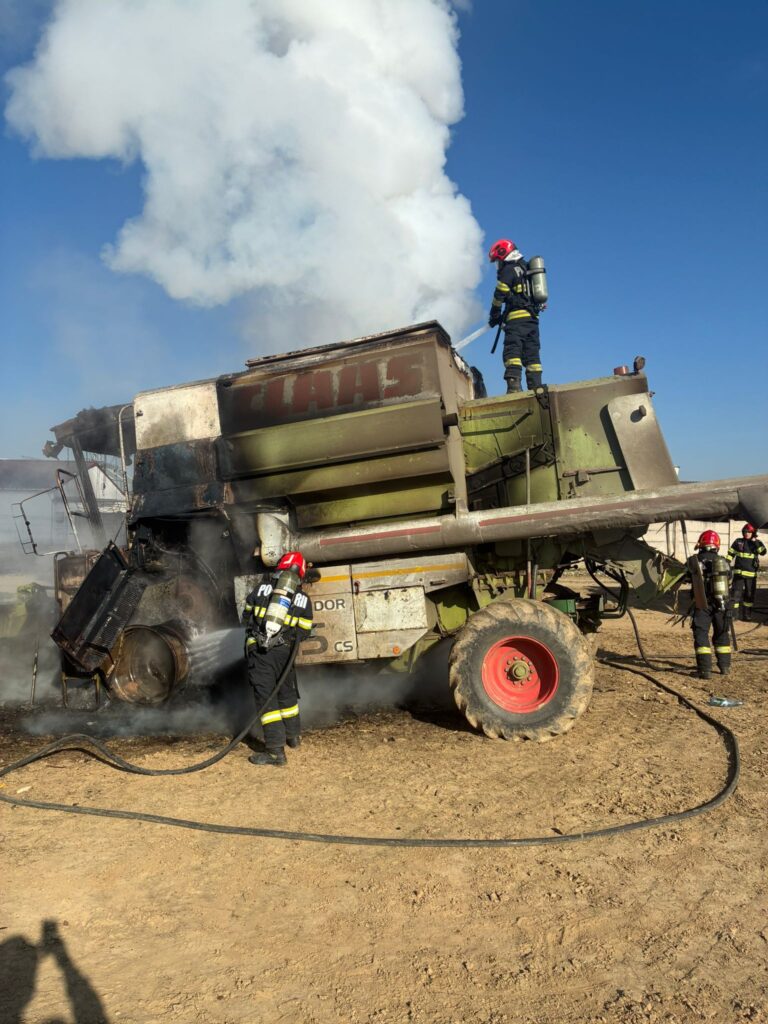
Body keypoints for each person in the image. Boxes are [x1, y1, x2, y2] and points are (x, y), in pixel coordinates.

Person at [242, 551, 314, 766]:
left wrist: (255, 637)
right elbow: (305, 630)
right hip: (285, 653)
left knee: (266, 698)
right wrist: (287, 640)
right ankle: (293, 737)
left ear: (280, 568)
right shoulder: (303, 599)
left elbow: (246, 615)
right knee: (286, 692)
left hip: (261, 653)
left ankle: (275, 751)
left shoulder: (262, 589)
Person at [487, 238, 544, 393]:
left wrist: (494, 313)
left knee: (512, 351)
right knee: (532, 356)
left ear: (503, 254)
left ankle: (514, 388)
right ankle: (536, 389)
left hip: (516, 321)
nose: (498, 265)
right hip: (532, 321)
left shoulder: (509, 269)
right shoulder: (527, 268)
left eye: (497, 261)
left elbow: (500, 293)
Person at [689, 530, 732, 680]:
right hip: (722, 604)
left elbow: (686, 577)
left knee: (701, 634)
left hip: (703, 603)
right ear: (717, 546)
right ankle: (724, 667)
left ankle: (705, 670)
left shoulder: (694, 561)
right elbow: (730, 579)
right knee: (721, 633)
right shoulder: (724, 562)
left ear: (701, 544)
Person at [727, 523, 765, 621]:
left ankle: (746, 615)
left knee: (749, 595)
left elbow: (763, 552)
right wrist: (726, 564)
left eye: (749, 532)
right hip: (738, 574)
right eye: (745, 532)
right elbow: (730, 554)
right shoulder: (738, 542)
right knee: (735, 595)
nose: (746, 533)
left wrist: (755, 542)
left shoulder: (757, 543)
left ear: (753, 533)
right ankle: (734, 615)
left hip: (751, 575)